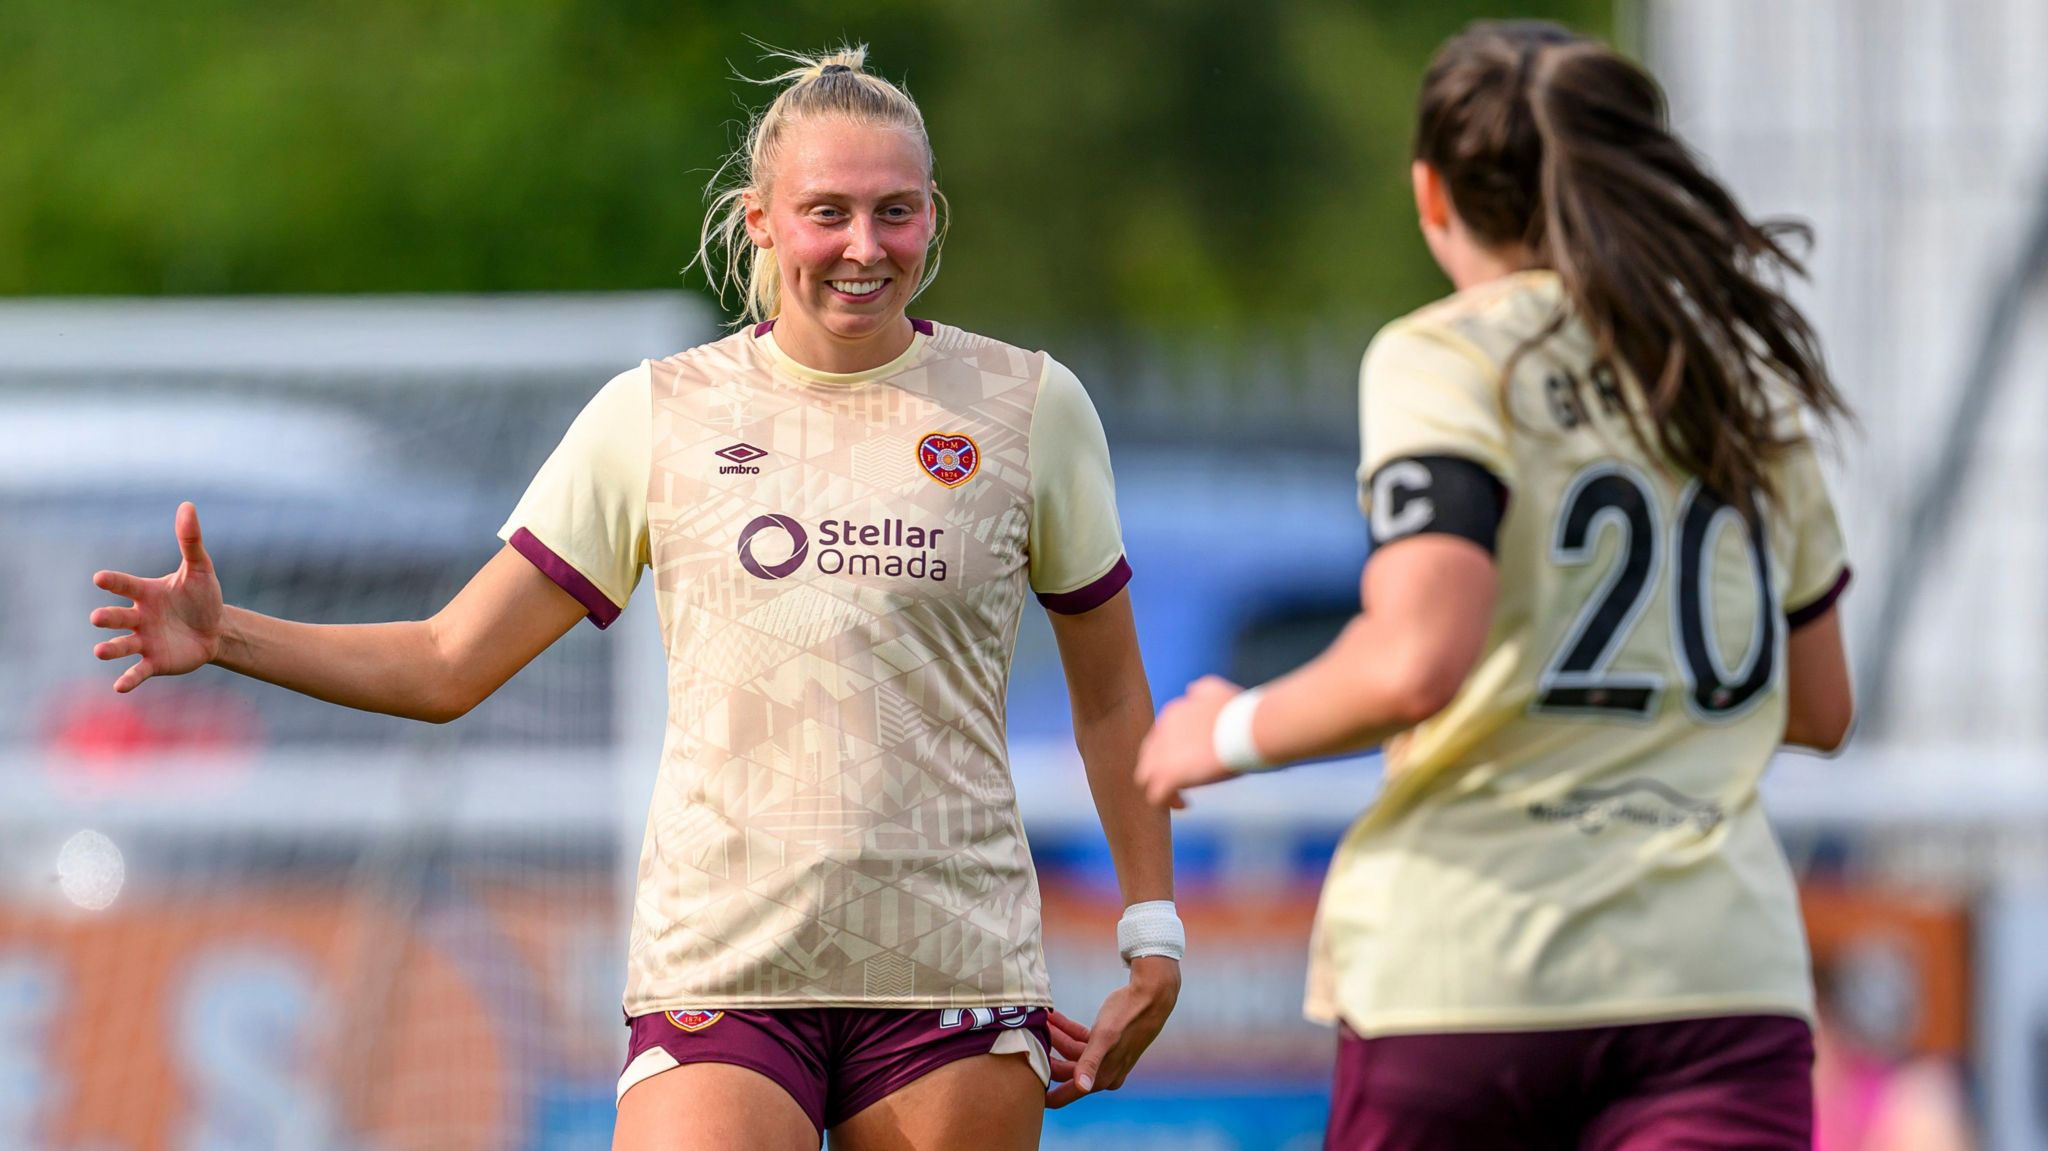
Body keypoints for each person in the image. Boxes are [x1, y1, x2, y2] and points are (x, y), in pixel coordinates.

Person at [90, 45, 1180, 1151]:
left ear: (932, 217)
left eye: (893, 212)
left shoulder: (1027, 405)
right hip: (721, 966)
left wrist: (1154, 932)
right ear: (759, 221)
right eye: (826, 212)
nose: (862, 247)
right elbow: (446, 659)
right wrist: (226, 633)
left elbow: (1109, 696)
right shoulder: (656, 413)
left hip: (951, 970)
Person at [1136, 20, 1854, 1151]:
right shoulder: (1736, 376)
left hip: (1472, 969)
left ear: (1430, 194)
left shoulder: (1447, 355)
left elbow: (1417, 654)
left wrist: (1221, 729)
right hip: (1714, 980)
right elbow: (1818, 708)